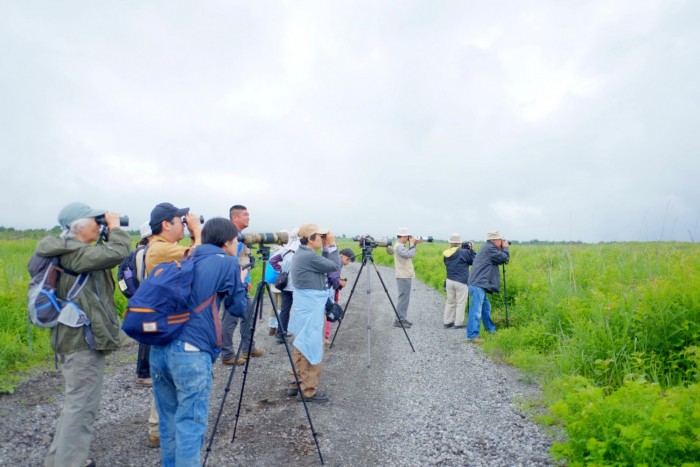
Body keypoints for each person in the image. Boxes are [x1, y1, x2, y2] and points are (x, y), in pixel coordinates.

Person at [150, 217, 248, 467]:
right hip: (191, 351)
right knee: (190, 425)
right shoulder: (227, 263)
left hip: (159, 348)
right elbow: (238, 308)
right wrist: (240, 280)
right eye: (236, 240)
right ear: (227, 242)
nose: (237, 244)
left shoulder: (185, 255)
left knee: (169, 421)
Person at [39, 202, 130, 467]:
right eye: (95, 221)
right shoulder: (75, 254)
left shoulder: (71, 250)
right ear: (78, 226)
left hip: (75, 340)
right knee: (82, 408)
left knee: (75, 405)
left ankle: (58, 461)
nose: (99, 225)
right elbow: (117, 252)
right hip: (81, 344)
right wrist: (115, 228)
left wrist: (105, 229)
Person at [144, 202, 203, 449]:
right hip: (166, 322)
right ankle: (162, 431)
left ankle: (158, 429)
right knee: (170, 377)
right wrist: (198, 233)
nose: (184, 224)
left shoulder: (166, 247)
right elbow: (198, 256)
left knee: (165, 376)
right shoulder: (160, 249)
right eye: (181, 221)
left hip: (165, 319)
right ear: (167, 224)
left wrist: (191, 234)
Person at [287, 224, 339, 403]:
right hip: (311, 309)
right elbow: (333, 266)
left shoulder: (302, 254)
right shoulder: (308, 256)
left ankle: (296, 382)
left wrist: (325, 247)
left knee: (302, 343)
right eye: (320, 236)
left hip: (305, 306)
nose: (323, 239)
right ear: (310, 238)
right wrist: (331, 246)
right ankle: (308, 391)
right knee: (312, 344)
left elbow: (324, 267)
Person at [220, 204, 263, 365]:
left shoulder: (240, 236)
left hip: (242, 283)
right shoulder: (232, 237)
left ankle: (248, 347)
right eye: (245, 214)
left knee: (248, 315)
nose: (248, 217)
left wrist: (247, 281)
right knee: (230, 320)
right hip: (234, 285)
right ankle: (227, 355)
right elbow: (230, 262)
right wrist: (238, 282)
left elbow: (242, 261)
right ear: (235, 217)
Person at [466, 231, 510, 343]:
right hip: (478, 284)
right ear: (495, 240)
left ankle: (491, 330)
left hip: (478, 283)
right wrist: (505, 248)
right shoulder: (490, 248)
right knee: (476, 311)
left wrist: (501, 248)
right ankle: (472, 335)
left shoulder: (487, 247)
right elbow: (503, 258)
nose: (502, 242)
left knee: (486, 308)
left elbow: (498, 259)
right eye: (501, 240)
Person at [270, 228, 300, 344]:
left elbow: (272, 260)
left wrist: (281, 270)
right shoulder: (302, 251)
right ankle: (298, 334)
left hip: (285, 284)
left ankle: (280, 335)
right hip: (298, 285)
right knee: (299, 310)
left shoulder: (286, 250)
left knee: (284, 310)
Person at [134, 222, 154, 387]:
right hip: (148, 301)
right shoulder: (145, 253)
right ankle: (143, 373)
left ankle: (145, 371)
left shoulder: (139, 251)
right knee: (147, 336)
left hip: (143, 299)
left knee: (149, 335)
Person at [442, 234, 476, 329]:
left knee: (450, 301)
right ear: (460, 242)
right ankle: (458, 323)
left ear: (451, 242)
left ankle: (447, 322)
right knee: (461, 302)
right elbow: (473, 261)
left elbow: (446, 263)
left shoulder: (446, 253)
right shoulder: (464, 252)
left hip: (449, 280)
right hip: (461, 281)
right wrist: (471, 249)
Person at [324, 248, 355, 343]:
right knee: (329, 312)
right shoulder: (338, 262)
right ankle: (325, 337)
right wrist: (340, 284)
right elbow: (333, 277)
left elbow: (331, 275)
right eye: (349, 261)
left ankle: (324, 336)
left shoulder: (332, 259)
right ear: (346, 257)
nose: (348, 263)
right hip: (327, 290)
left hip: (323, 287)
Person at [390, 227, 419, 328]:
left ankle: (402, 318)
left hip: (405, 275)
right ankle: (399, 320)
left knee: (405, 298)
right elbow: (409, 254)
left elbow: (410, 253)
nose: (408, 238)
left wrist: (414, 244)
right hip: (403, 276)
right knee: (403, 298)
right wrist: (412, 245)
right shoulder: (399, 246)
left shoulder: (401, 245)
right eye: (407, 236)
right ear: (402, 236)